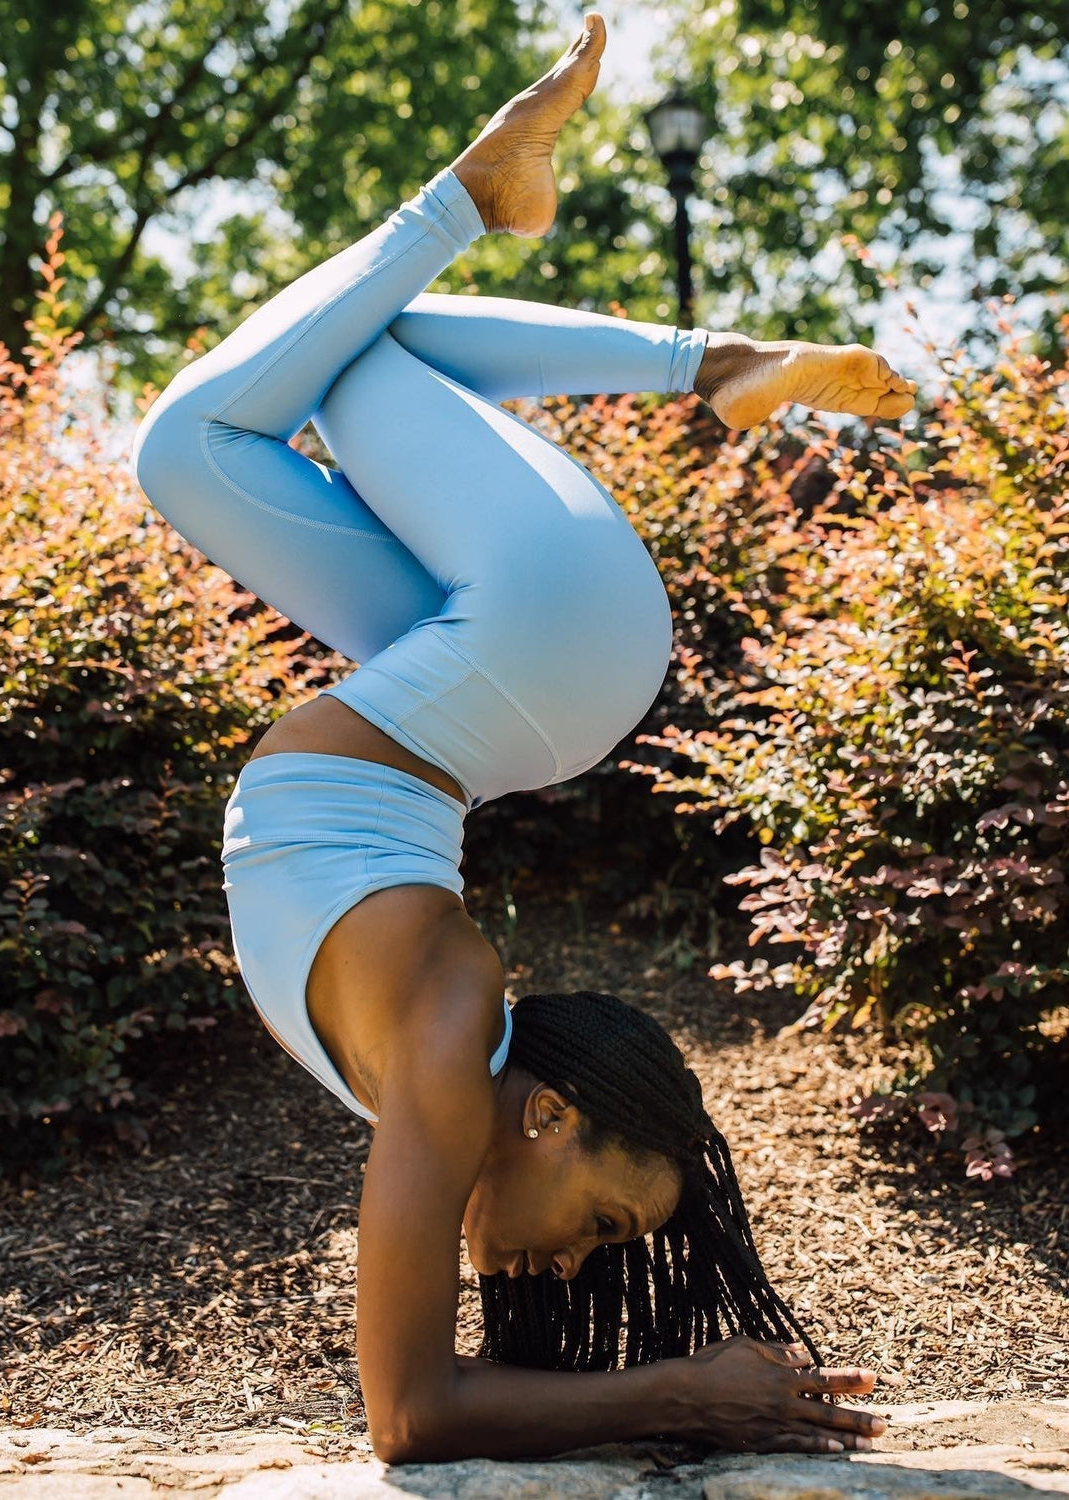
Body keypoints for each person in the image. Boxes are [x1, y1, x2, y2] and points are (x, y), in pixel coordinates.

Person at [132, 11, 913, 1464]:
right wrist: (681, 1393)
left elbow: (411, 1411)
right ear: (550, 1114)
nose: (584, 1265)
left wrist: (671, 1396)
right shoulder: (445, 1042)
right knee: (337, 367)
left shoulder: (436, 1066)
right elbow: (412, 1418)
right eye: (610, 1223)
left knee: (234, 423)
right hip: (541, 646)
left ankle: (696, 346)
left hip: (482, 667)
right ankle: (591, 278)